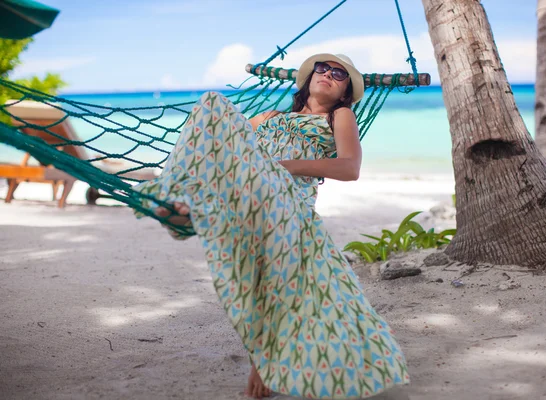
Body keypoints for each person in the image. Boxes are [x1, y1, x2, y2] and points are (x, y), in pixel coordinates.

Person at [133, 53, 409, 399]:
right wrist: (244, 145)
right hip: (245, 192)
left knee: (268, 274)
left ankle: (189, 208)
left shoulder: (340, 115)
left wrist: (285, 166)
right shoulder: (272, 116)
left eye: (339, 74)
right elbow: (219, 145)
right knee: (211, 106)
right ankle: (181, 197)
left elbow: (349, 167)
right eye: (321, 68)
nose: (328, 74)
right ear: (308, 79)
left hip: (285, 201)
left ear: (344, 92)